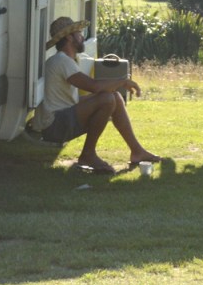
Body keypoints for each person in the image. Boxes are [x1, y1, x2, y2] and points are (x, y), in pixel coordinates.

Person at [30, 16, 160, 174]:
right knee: (106, 99)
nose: (82, 37)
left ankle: (137, 151)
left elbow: (92, 88)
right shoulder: (61, 61)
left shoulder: (65, 60)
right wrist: (122, 82)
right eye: (79, 33)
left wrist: (117, 85)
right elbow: (93, 87)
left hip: (61, 118)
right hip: (54, 125)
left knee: (115, 98)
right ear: (69, 37)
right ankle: (88, 155)